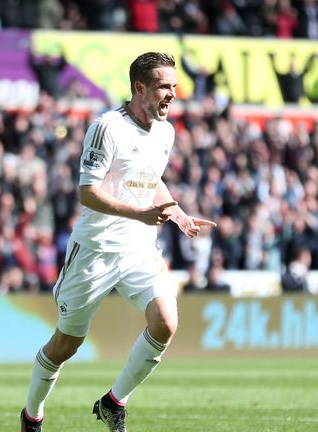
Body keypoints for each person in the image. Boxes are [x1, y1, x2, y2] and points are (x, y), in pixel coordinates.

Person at [19, 52, 215, 432]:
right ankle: (32, 414)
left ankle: (114, 402)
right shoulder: (107, 127)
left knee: (166, 323)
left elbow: (148, 177)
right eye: (164, 86)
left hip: (140, 248)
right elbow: (87, 193)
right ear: (139, 87)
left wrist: (175, 211)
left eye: (174, 86)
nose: (173, 94)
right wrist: (139, 213)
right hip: (95, 250)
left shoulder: (166, 131)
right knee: (66, 345)